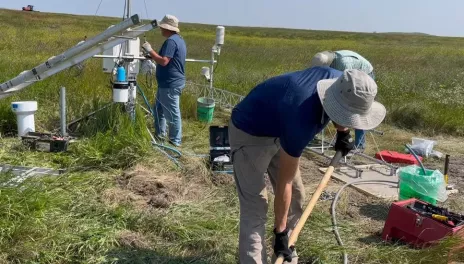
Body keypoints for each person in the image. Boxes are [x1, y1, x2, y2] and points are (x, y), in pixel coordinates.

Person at [229, 67, 386, 264]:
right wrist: (279, 232)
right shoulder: (302, 118)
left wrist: (342, 132)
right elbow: (283, 183)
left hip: (279, 125)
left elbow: (341, 108)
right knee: (256, 206)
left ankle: (286, 251)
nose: (352, 123)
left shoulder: (344, 83)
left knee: (296, 194)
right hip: (249, 132)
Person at [310, 50, 375, 151]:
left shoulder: (343, 64)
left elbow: (345, 83)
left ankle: (359, 145)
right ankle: (323, 136)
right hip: (350, 76)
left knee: (357, 109)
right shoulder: (327, 59)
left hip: (364, 76)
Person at [142, 14, 187, 147]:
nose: (161, 30)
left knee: (172, 114)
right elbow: (166, 59)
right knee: (158, 110)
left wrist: (150, 50)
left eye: (162, 27)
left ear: (168, 28)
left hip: (170, 84)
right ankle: (160, 137)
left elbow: (164, 61)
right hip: (167, 83)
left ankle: (174, 143)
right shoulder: (178, 40)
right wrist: (152, 56)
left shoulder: (171, 42)